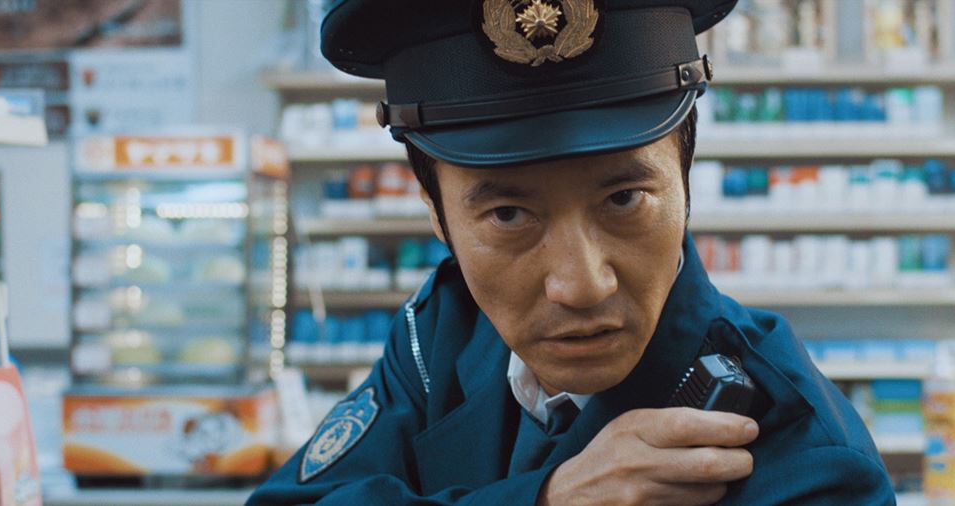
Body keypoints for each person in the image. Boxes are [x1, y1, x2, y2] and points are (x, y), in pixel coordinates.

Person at [249, 0, 895, 504]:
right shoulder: (445, 331)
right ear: (435, 213)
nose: (582, 285)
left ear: (686, 178)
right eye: (508, 215)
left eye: (624, 199)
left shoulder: (806, 459)